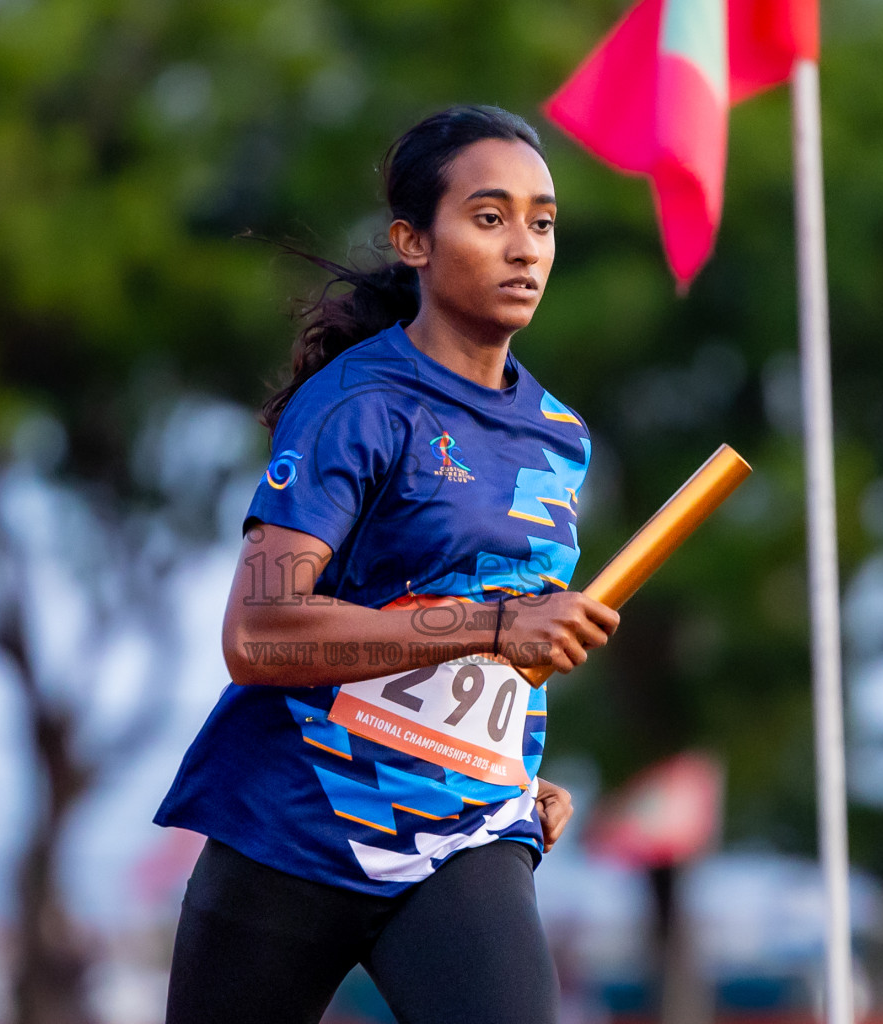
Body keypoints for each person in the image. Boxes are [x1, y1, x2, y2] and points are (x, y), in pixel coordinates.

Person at [155, 104, 621, 1024]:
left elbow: (496, 646)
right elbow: (258, 636)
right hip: (294, 826)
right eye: (489, 218)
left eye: (543, 220)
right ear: (414, 239)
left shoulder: (560, 437)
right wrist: (493, 626)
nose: (525, 247)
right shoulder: (358, 406)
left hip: (464, 837)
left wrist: (511, 767)